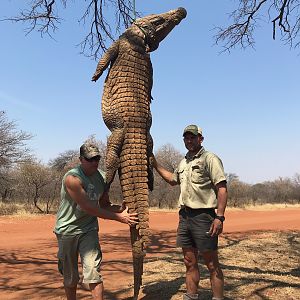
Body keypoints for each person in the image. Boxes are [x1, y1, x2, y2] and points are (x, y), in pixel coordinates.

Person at [54, 142, 138, 300]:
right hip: (67, 230)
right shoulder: (72, 178)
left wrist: (120, 209)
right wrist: (120, 218)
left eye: (97, 158)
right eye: (90, 159)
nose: (94, 162)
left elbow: (104, 205)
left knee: (93, 272)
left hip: (89, 230)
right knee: (70, 276)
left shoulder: (102, 177)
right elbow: (88, 207)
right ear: (81, 159)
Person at [152, 125, 227, 300]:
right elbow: (172, 180)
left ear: (201, 138)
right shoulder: (183, 162)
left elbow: (222, 188)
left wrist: (219, 217)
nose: (189, 140)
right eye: (186, 137)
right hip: (185, 217)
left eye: (193, 137)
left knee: (211, 263)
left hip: (204, 217)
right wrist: (155, 164)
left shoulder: (210, 159)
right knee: (189, 262)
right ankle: (191, 297)